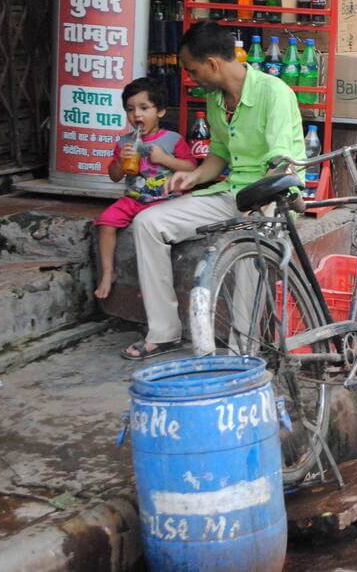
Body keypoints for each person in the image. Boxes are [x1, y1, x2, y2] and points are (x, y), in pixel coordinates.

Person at [121, 22, 306, 360]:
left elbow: (281, 162)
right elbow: (218, 156)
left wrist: (257, 204)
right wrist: (192, 178)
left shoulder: (273, 92)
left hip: (274, 196)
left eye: (192, 70)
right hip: (232, 192)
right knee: (148, 223)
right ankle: (164, 332)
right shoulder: (214, 100)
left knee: (251, 247)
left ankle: (242, 352)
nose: (191, 78)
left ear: (213, 64)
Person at [94, 78, 196, 301]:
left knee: (154, 232)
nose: (137, 115)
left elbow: (191, 168)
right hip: (134, 199)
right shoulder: (124, 143)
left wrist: (165, 159)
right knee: (106, 221)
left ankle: (152, 281)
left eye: (144, 108)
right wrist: (121, 162)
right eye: (130, 110)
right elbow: (114, 176)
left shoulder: (172, 139)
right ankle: (108, 272)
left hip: (165, 200)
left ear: (160, 111)